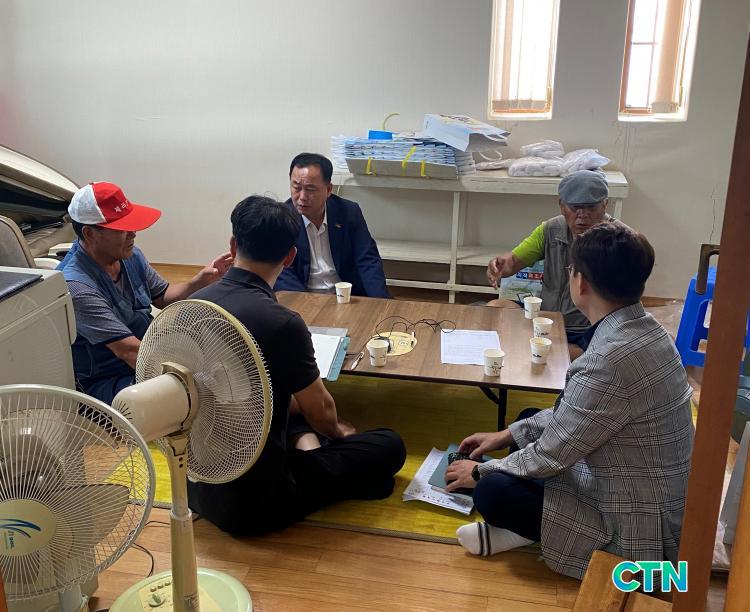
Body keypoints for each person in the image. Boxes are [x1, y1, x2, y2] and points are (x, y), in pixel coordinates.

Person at [446, 222, 694, 581]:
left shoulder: (608, 360)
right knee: (528, 419)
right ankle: (522, 530)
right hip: (640, 482)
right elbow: (578, 412)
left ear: (581, 283)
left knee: (493, 491)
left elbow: (551, 455)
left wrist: (479, 471)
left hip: (632, 518)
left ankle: (525, 533)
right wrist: (506, 435)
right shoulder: (647, 329)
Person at [187, 195, 406, 535]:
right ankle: (336, 470)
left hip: (199, 486)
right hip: (259, 503)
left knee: (282, 401)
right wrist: (340, 434)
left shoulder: (194, 305)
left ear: (233, 245)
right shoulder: (282, 322)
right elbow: (321, 412)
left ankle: (318, 455)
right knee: (389, 445)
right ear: (290, 257)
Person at [58, 181, 232, 404]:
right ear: (89, 234)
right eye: (122, 228)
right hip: (108, 380)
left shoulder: (129, 256)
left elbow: (164, 296)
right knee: (187, 398)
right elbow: (129, 352)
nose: (133, 233)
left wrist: (200, 281)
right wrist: (192, 375)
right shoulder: (76, 286)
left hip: (145, 353)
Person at [486, 170, 616, 358]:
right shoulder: (550, 230)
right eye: (575, 207)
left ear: (605, 204)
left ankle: (553, 350)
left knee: (588, 355)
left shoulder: (618, 239)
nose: (582, 215)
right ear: (561, 205)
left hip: (587, 328)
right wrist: (498, 267)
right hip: (545, 317)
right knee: (495, 307)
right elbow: (513, 261)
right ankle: (547, 349)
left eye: (591, 207)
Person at [274, 152, 389, 298]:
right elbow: (282, 272)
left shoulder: (348, 212)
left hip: (345, 296)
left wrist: (381, 302)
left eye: (310, 189)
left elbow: (367, 260)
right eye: (296, 188)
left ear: (328, 189)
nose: (302, 197)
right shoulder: (281, 219)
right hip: (303, 296)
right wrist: (305, 303)